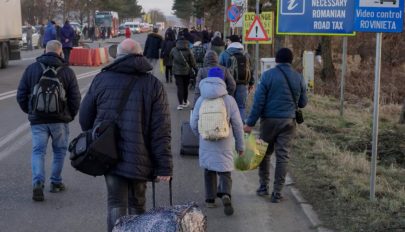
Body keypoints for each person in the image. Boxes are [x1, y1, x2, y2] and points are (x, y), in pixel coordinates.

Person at [79, 39, 172, 232]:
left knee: (115, 203)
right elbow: (160, 129)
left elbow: (85, 120)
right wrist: (164, 166)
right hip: (141, 157)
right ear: (140, 56)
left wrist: (97, 134)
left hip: (108, 154)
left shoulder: (101, 79)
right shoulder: (153, 85)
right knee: (137, 204)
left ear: (117, 56)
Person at [16, 40, 81, 202]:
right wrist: (70, 115)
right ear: (60, 52)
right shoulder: (67, 71)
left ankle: (38, 181)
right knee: (59, 151)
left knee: (38, 151)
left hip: (38, 120)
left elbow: (21, 95)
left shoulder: (32, 69)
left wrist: (31, 111)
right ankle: (55, 183)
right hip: (60, 120)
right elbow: (75, 98)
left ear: (45, 51)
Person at [244, 48, 308, 203]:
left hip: (268, 122)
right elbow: (303, 103)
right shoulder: (299, 77)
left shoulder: (267, 76)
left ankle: (263, 187)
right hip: (288, 122)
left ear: (277, 60)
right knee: (282, 156)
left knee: (264, 153)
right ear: (291, 60)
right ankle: (277, 193)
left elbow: (258, 102)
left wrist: (250, 123)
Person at [190, 67, 244, 216]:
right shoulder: (229, 100)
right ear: (222, 80)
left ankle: (210, 200)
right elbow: (238, 125)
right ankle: (225, 194)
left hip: (207, 140)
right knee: (225, 170)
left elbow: (193, 122)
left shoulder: (201, 99)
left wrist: (201, 135)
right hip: (225, 141)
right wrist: (240, 145)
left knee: (209, 170)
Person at [219, 34, 254, 122]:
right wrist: (251, 83)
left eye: (228, 41)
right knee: (241, 107)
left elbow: (220, 69)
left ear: (230, 42)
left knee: (228, 106)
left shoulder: (225, 54)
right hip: (243, 84)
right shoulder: (246, 54)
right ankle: (241, 128)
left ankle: (228, 126)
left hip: (228, 85)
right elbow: (251, 69)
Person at [169, 35, 197, 110]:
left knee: (179, 87)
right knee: (185, 87)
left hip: (177, 72)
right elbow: (192, 61)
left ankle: (180, 104)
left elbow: (170, 57)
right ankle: (185, 101)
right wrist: (195, 68)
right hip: (186, 71)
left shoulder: (174, 49)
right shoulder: (188, 50)